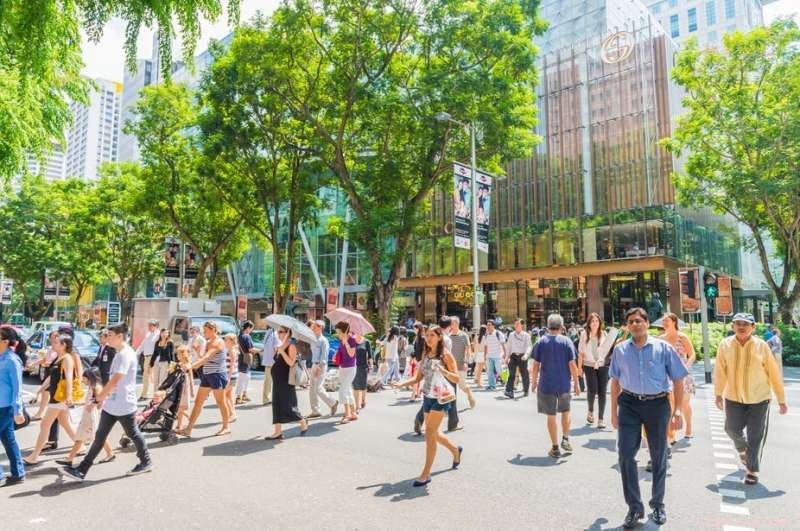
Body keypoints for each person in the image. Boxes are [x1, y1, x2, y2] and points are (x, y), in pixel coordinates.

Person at [609, 307, 688, 528]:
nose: (635, 324)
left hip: (658, 404)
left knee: (659, 455)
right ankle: (634, 508)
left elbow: (679, 379)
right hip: (629, 404)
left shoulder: (663, 348)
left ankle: (658, 505)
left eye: (638, 321)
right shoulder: (620, 350)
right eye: (630, 321)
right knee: (625, 456)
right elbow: (615, 381)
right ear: (627, 326)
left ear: (646, 323)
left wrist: (678, 410)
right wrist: (613, 412)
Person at [63, 323, 152, 481]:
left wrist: (98, 398)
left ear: (120, 336)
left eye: (110, 335)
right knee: (100, 436)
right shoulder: (118, 353)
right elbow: (112, 380)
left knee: (133, 433)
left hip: (124, 404)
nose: (107, 338)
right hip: (112, 404)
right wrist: (104, 399)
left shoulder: (125, 354)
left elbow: (115, 380)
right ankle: (82, 470)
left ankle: (146, 461)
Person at [714, 312, 787, 485]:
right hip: (733, 397)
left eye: (745, 324)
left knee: (755, 436)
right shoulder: (725, 345)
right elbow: (720, 371)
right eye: (737, 323)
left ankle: (752, 470)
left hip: (759, 399)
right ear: (733, 326)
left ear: (753, 327)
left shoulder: (762, 346)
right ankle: (742, 449)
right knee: (731, 429)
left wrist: (781, 399)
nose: (741, 327)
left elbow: (774, 373)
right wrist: (718, 393)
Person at [393, 326, 462, 487]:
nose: (428, 338)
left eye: (432, 335)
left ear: (439, 337)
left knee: (429, 434)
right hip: (427, 397)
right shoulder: (425, 354)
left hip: (441, 398)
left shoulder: (446, 355)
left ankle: (425, 474)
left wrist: (443, 371)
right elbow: (418, 377)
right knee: (435, 434)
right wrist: (401, 383)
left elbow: (457, 378)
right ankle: (455, 450)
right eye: (427, 335)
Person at [23, 334, 79, 465]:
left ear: (63, 345)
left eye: (56, 343)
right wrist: (39, 390)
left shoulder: (67, 359)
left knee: (45, 425)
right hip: (57, 396)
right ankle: (80, 445)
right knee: (65, 423)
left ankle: (34, 455)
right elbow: (51, 377)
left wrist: (69, 395)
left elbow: (69, 377)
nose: (53, 345)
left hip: (60, 398)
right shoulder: (59, 358)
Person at [530, 314, 580, 458]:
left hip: (546, 385)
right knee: (566, 411)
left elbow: (535, 365)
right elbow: (572, 364)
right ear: (562, 327)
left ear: (548, 326)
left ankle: (555, 448)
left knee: (551, 416)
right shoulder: (567, 341)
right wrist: (576, 383)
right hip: (564, 384)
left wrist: (533, 382)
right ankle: (565, 438)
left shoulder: (541, 341)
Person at [180, 321, 231, 437]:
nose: (204, 333)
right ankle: (188, 429)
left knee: (221, 402)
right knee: (198, 402)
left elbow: (207, 357)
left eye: (206, 330)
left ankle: (226, 427)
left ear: (213, 330)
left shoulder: (218, 342)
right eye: (204, 330)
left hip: (217, 375)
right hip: (208, 374)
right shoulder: (208, 342)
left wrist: (191, 366)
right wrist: (196, 352)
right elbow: (203, 357)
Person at [55, 367, 115, 467]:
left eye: (84, 378)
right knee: (92, 437)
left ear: (90, 377)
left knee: (81, 437)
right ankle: (110, 453)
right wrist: (77, 403)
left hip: (91, 416)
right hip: (89, 416)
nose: (83, 380)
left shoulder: (97, 387)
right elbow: (90, 401)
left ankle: (69, 459)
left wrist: (93, 404)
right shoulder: (93, 387)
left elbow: (101, 402)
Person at [265, 327, 309, 439]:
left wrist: (281, 352)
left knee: (287, 405)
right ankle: (278, 431)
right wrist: (278, 351)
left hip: (285, 379)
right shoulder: (282, 345)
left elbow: (290, 362)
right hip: (278, 379)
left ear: (288, 333)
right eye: (277, 331)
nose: (278, 333)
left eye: (280, 331)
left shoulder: (292, 345)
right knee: (276, 404)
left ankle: (302, 421)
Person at [660, 312, 696, 438]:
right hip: (668, 374)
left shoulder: (682, 337)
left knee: (684, 403)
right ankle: (672, 433)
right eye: (663, 321)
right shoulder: (661, 339)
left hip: (683, 373)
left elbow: (692, 355)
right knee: (671, 403)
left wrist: (686, 367)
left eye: (666, 321)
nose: (664, 323)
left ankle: (689, 427)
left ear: (674, 322)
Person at [0, 326, 26, 486]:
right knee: (9, 440)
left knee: (9, 440)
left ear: (5, 341)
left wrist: (18, 410)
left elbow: (18, 387)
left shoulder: (11, 360)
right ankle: (18, 473)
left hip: (6, 408)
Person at [578, 313, 609, 428]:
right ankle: (590, 410)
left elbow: (607, 350)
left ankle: (601, 419)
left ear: (600, 323)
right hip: (589, 365)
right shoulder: (584, 335)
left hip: (602, 365)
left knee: (603, 392)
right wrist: (579, 368)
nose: (595, 323)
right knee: (592, 390)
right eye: (592, 321)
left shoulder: (604, 334)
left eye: (596, 321)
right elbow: (580, 353)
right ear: (589, 324)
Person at [307, 320, 337, 418]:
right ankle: (315, 411)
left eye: (315, 326)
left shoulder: (324, 341)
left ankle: (333, 403)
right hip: (313, 364)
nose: (313, 328)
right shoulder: (312, 338)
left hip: (320, 366)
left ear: (320, 328)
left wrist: (319, 368)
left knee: (318, 388)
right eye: (313, 326)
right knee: (312, 388)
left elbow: (324, 357)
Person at [448, 317, 476, 408]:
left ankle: (470, 395)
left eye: (451, 323)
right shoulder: (448, 336)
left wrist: (466, 362)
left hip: (461, 364)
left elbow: (468, 350)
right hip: (450, 365)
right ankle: (449, 408)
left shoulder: (464, 335)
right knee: (449, 386)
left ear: (456, 324)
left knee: (461, 385)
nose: (450, 325)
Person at [334, 322, 359, 423]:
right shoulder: (341, 340)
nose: (338, 334)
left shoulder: (352, 339)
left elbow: (352, 354)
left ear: (344, 331)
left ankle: (347, 414)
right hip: (342, 367)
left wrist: (347, 342)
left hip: (350, 368)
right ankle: (353, 413)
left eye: (339, 332)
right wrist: (335, 354)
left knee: (342, 390)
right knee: (347, 390)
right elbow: (341, 351)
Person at [505, 318, 532, 400]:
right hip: (513, 356)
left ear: (522, 325)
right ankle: (509, 390)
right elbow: (509, 347)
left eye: (518, 324)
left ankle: (526, 390)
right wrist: (507, 357)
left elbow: (529, 346)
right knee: (511, 374)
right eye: (515, 324)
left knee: (524, 374)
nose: (516, 325)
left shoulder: (526, 335)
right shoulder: (511, 335)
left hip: (522, 356)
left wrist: (526, 355)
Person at [135, 320, 160, 400]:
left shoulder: (158, 334)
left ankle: (145, 395)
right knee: (148, 377)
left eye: (151, 325)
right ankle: (149, 394)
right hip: (146, 357)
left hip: (153, 358)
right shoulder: (148, 334)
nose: (149, 327)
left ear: (155, 326)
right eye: (149, 325)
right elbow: (142, 345)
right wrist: (135, 353)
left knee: (149, 376)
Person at [174, 345, 195, 432]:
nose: (177, 356)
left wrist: (192, 389)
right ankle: (179, 425)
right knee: (179, 407)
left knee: (180, 408)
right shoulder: (178, 364)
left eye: (178, 354)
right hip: (178, 387)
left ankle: (190, 418)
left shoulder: (188, 364)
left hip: (185, 387)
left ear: (183, 354)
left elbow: (191, 377)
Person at [236, 321, 258, 404]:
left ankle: (244, 395)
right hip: (246, 359)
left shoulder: (240, 335)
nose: (251, 330)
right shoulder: (247, 336)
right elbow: (250, 349)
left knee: (245, 378)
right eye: (251, 328)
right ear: (248, 327)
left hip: (241, 358)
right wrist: (261, 350)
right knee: (243, 378)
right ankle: (238, 397)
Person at [483, 320, 506, 391]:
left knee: (499, 370)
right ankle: (492, 385)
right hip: (490, 356)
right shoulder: (486, 335)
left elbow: (503, 344)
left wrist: (505, 353)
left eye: (489, 325)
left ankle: (506, 379)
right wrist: (485, 355)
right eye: (487, 325)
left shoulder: (498, 333)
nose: (488, 326)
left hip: (497, 356)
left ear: (493, 326)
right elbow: (486, 346)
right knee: (490, 372)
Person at [352, 332, 371, 413]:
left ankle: (363, 400)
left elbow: (370, 355)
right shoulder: (352, 341)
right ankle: (357, 406)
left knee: (363, 386)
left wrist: (371, 365)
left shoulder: (366, 342)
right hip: (353, 366)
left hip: (363, 367)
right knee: (356, 386)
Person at [223, 333, 239, 422]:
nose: (224, 341)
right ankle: (232, 414)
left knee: (224, 395)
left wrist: (228, 378)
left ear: (231, 341)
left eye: (226, 340)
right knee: (228, 395)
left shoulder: (232, 350)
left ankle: (231, 414)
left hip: (231, 376)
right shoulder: (230, 349)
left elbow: (232, 365)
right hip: (232, 375)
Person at [261, 327, 279, 405]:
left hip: (267, 361)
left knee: (267, 381)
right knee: (275, 382)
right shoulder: (275, 335)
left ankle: (266, 399)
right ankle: (269, 399)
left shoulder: (268, 333)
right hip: (273, 362)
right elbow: (276, 349)